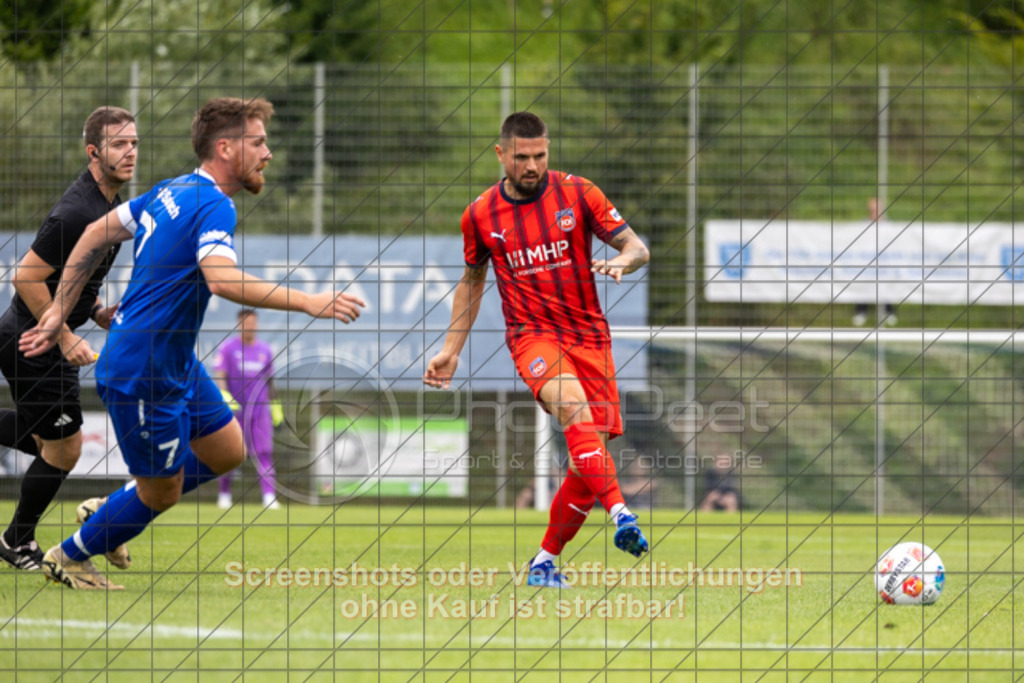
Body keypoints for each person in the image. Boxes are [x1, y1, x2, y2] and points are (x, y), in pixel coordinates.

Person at [20, 96, 366, 590]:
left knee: (228, 450)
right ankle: (69, 555)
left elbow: (97, 232)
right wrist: (309, 301)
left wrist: (60, 308)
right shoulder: (213, 205)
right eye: (259, 141)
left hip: (174, 362)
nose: (268, 152)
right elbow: (221, 280)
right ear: (225, 148)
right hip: (144, 370)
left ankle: (121, 506)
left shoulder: (173, 190)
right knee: (162, 494)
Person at [424, 112, 651, 589]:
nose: (532, 165)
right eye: (522, 157)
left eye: (540, 155)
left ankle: (544, 563)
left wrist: (624, 261)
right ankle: (623, 513)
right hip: (532, 337)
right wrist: (451, 349)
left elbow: (636, 246)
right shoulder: (481, 215)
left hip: (590, 337)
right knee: (572, 407)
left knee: (589, 463)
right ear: (501, 153)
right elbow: (471, 282)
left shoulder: (578, 193)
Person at [0, 106, 138, 572]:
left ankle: (16, 537)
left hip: (37, 336)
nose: (130, 152)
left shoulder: (109, 208)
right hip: (32, 340)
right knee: (64, 449)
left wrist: (95, 312)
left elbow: (72, 279)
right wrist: (61, 335)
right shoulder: (78, 212)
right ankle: (16, 540)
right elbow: (26, 278)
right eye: (119, 144)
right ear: (93, 152)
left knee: (53, 445)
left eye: (135, 143)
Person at [214, 308, 282, 510]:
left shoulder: (265, 350)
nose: (249, 326)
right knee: (230, 454)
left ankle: (269, 496)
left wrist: (276, 409)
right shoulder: (228, 349)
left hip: (260, 413)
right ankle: (224, 495)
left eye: (252, 323)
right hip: (235, 412)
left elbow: (270, 381)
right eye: (245, 323)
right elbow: (220, 374)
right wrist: (224, 396)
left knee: (263, 453)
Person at [853, 197, 896, 327]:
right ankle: (861, 311)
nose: (874, 212)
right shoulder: (863, 225)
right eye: (872, 210)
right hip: (867, 261)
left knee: (887, 282)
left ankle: (889, 311)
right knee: (864, 282)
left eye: (876, 209)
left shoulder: (889, 226)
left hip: (885, 261)